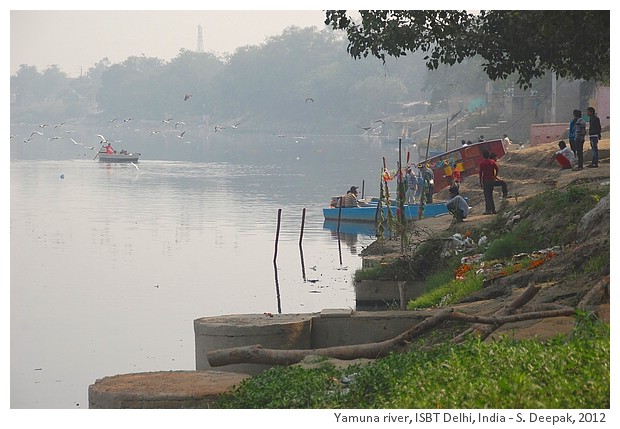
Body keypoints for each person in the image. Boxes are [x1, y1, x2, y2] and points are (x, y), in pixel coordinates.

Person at [479, 149, 497, 215]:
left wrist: (480, 181)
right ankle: (493, 210)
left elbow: (480, 173)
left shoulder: (482, 163)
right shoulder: (492, 162)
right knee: (490, 195)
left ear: (483, 156)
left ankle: (488, 210)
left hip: (485, 180)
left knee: (487, 196)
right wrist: (495, 175)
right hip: (492, 179)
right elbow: (497, 168)